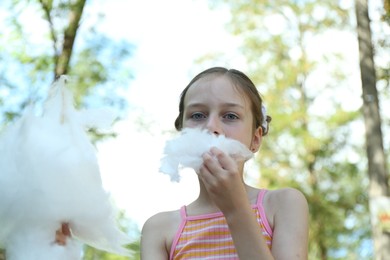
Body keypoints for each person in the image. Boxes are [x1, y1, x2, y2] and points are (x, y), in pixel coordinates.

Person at [140, 67, 309, 259]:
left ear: (255, 139)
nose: (211, 126)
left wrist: (235, 208)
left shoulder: (283, 205)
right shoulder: (159, 230)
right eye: (197, 115)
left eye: (230, 116)